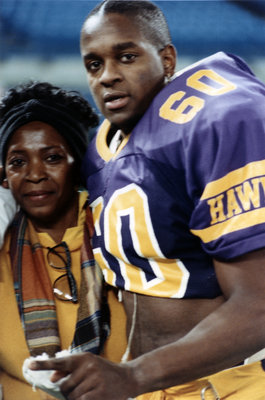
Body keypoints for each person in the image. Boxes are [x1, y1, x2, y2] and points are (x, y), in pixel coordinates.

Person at [23, 0, 265, 399]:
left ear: (166, 59)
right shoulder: (101, 147)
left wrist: (133, 375)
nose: (108, 77)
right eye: (94, 65)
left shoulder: (217, 119)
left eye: (127, 56)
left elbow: (258, 305)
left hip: (230, 384)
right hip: (153, 385)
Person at [0, 81, 127, 400]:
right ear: (4, 175)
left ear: (79, 164)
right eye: (18, 161)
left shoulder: (121, 230)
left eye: (52, 158)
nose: (34, 174)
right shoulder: (1, 249)